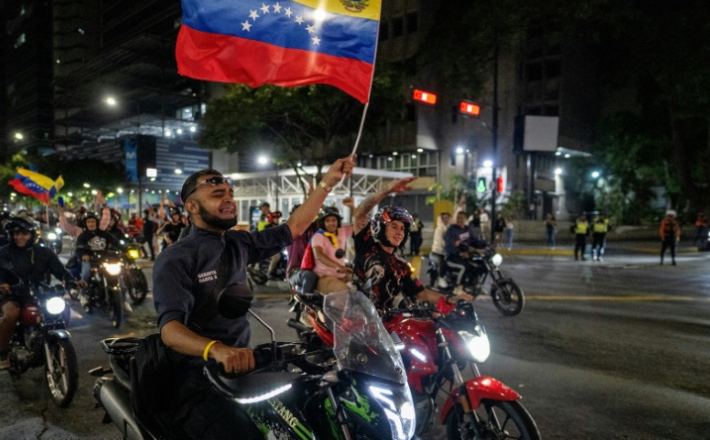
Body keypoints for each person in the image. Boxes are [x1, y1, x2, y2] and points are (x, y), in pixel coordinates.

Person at [152, 156, 354, 439]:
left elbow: (294, 227)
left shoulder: (238, 242)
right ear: (192, 206)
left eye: (230, 194)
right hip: (198, 377)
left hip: (244, 365)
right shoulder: (176, 257)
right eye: (217, 194)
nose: (229, 200)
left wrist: (328, 182)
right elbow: (170, 331)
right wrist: (218, 350)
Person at [0, 215, 84, 369]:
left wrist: (72, 282)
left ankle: (52, 341)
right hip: (13, 294)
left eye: (24, 233)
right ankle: (3, 351)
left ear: (32, 234)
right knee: (11, 314)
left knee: (63, 309)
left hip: (40, 292)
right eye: (16, 233)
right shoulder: (4, 252)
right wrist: (2, 285)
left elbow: (59, 270)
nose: (20, 237)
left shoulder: (44, 252)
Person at [353, 205, 472, 310]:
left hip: (386, 326)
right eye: (394, 227)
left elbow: (421, 293)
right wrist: (386, 191)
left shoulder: (400, 264)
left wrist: (450, 299)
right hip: (360, 325)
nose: (399, 232)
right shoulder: (366, 249)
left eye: (402, 229)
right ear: (381, 228)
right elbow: (360, 213)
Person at [311, 206, 353, 294]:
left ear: (338, 221)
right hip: (325, 277)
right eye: (328, 220)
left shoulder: (342, 231)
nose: (331, 223)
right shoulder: (318, 236)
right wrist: (338, 266)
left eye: (334, 220)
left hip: (343, 275)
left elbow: (358, 223)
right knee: (347, 292)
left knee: (363, 288)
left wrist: (352, 207)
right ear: (322, 222)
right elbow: (319, 255)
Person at [445, 212, 488, 286]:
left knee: (482, 265)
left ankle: (473, 284)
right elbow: (449, 245)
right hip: (452, 256)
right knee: (465, 266)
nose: (459, 220)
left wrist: (486, 244)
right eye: (458, 218)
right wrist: (459, 253)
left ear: (465, 219)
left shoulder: (467, 229)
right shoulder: (451, 230)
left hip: (466, 255)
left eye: (461, 218)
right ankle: (458, 288)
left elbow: (474, 241)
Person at [430, 212, 452, 285]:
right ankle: (441, 279)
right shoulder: (439, 228)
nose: (446, 219)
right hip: (438, 252)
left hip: (446, 251)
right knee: (443, 262)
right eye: (445, 218)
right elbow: (440, 241)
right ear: (441, 219)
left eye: (448, 218)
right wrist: (449, 246)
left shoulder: (449, 228)